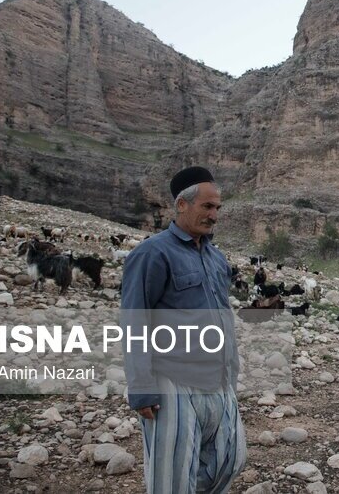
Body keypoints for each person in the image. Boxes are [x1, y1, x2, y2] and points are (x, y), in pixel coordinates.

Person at [121, 166, 246, 494]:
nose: (214, 215)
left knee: (230, 461)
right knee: (172, 479)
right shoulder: (152, 253)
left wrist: (232, 370)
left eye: (218, 208)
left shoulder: (217, 259)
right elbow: (134, 319)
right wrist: (141, 386)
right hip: (172, 382)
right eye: (207, 207)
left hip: (218, 381)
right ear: (181, 205)